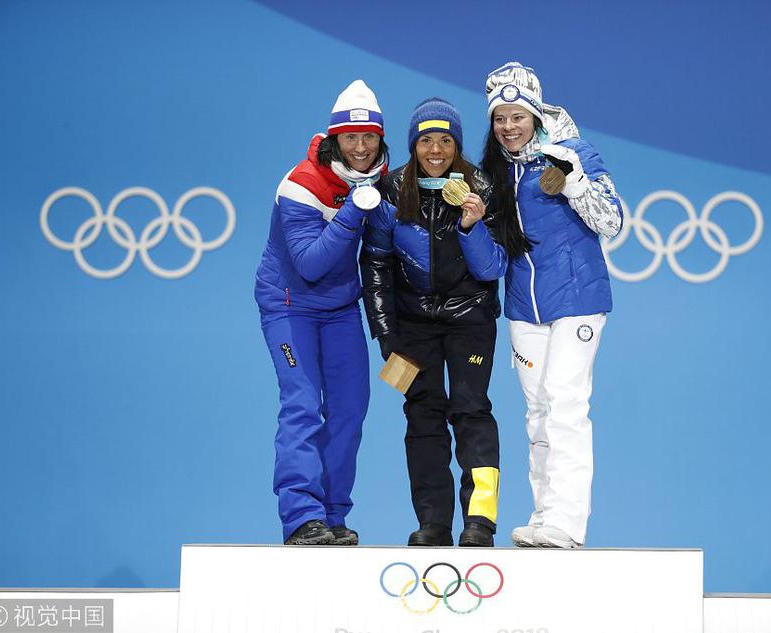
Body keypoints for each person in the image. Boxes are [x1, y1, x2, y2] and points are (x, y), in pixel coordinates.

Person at [480, 62, 623, 548]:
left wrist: (575, 184)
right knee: (538, 411)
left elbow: (612, 221)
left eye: (518, 116)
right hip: (525, 307)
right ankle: (544, 515)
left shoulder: (572, 152)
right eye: (500, 118)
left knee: (565, 403)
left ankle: (567, 520)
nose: (509, 126)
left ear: (536, 115)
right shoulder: (495, 170)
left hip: (578, 300)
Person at [361, 98, 508, 547]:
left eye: (446, 140)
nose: (436, 150)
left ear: (458, 145)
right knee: (421, 416)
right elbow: (376, 264)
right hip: (412, 325)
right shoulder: (391, 190)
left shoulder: (482, 187)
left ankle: (480, 520)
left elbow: (492, 268)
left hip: (470, 319)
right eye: (427, 140)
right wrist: (386, 334)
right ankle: (433, 524)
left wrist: (471, 226)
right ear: (413, 145)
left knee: (471, 409)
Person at [254, 80, 390, 546]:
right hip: (289, 306)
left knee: (350, 409)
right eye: (350, 137)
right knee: (302, 404)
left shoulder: (377, 181)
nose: (360, 147)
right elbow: (310, 264)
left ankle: (331, 516)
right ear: (335, 139)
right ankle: (301, 517)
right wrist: (354, 209)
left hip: (340, 308)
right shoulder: (300, 185)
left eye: (369, 136)